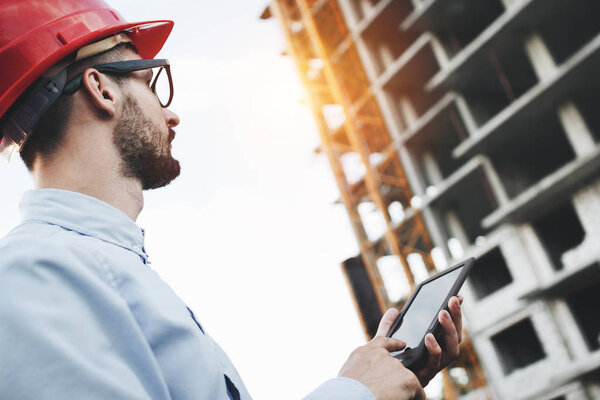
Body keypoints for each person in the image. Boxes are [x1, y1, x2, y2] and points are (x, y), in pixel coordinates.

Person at [0, 1, 464, 399]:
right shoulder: (34, 275)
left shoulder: (92, 268)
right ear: (102, 89)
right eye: (152, 83)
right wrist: (354, 393)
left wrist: (373, 383)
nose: (173, 113)